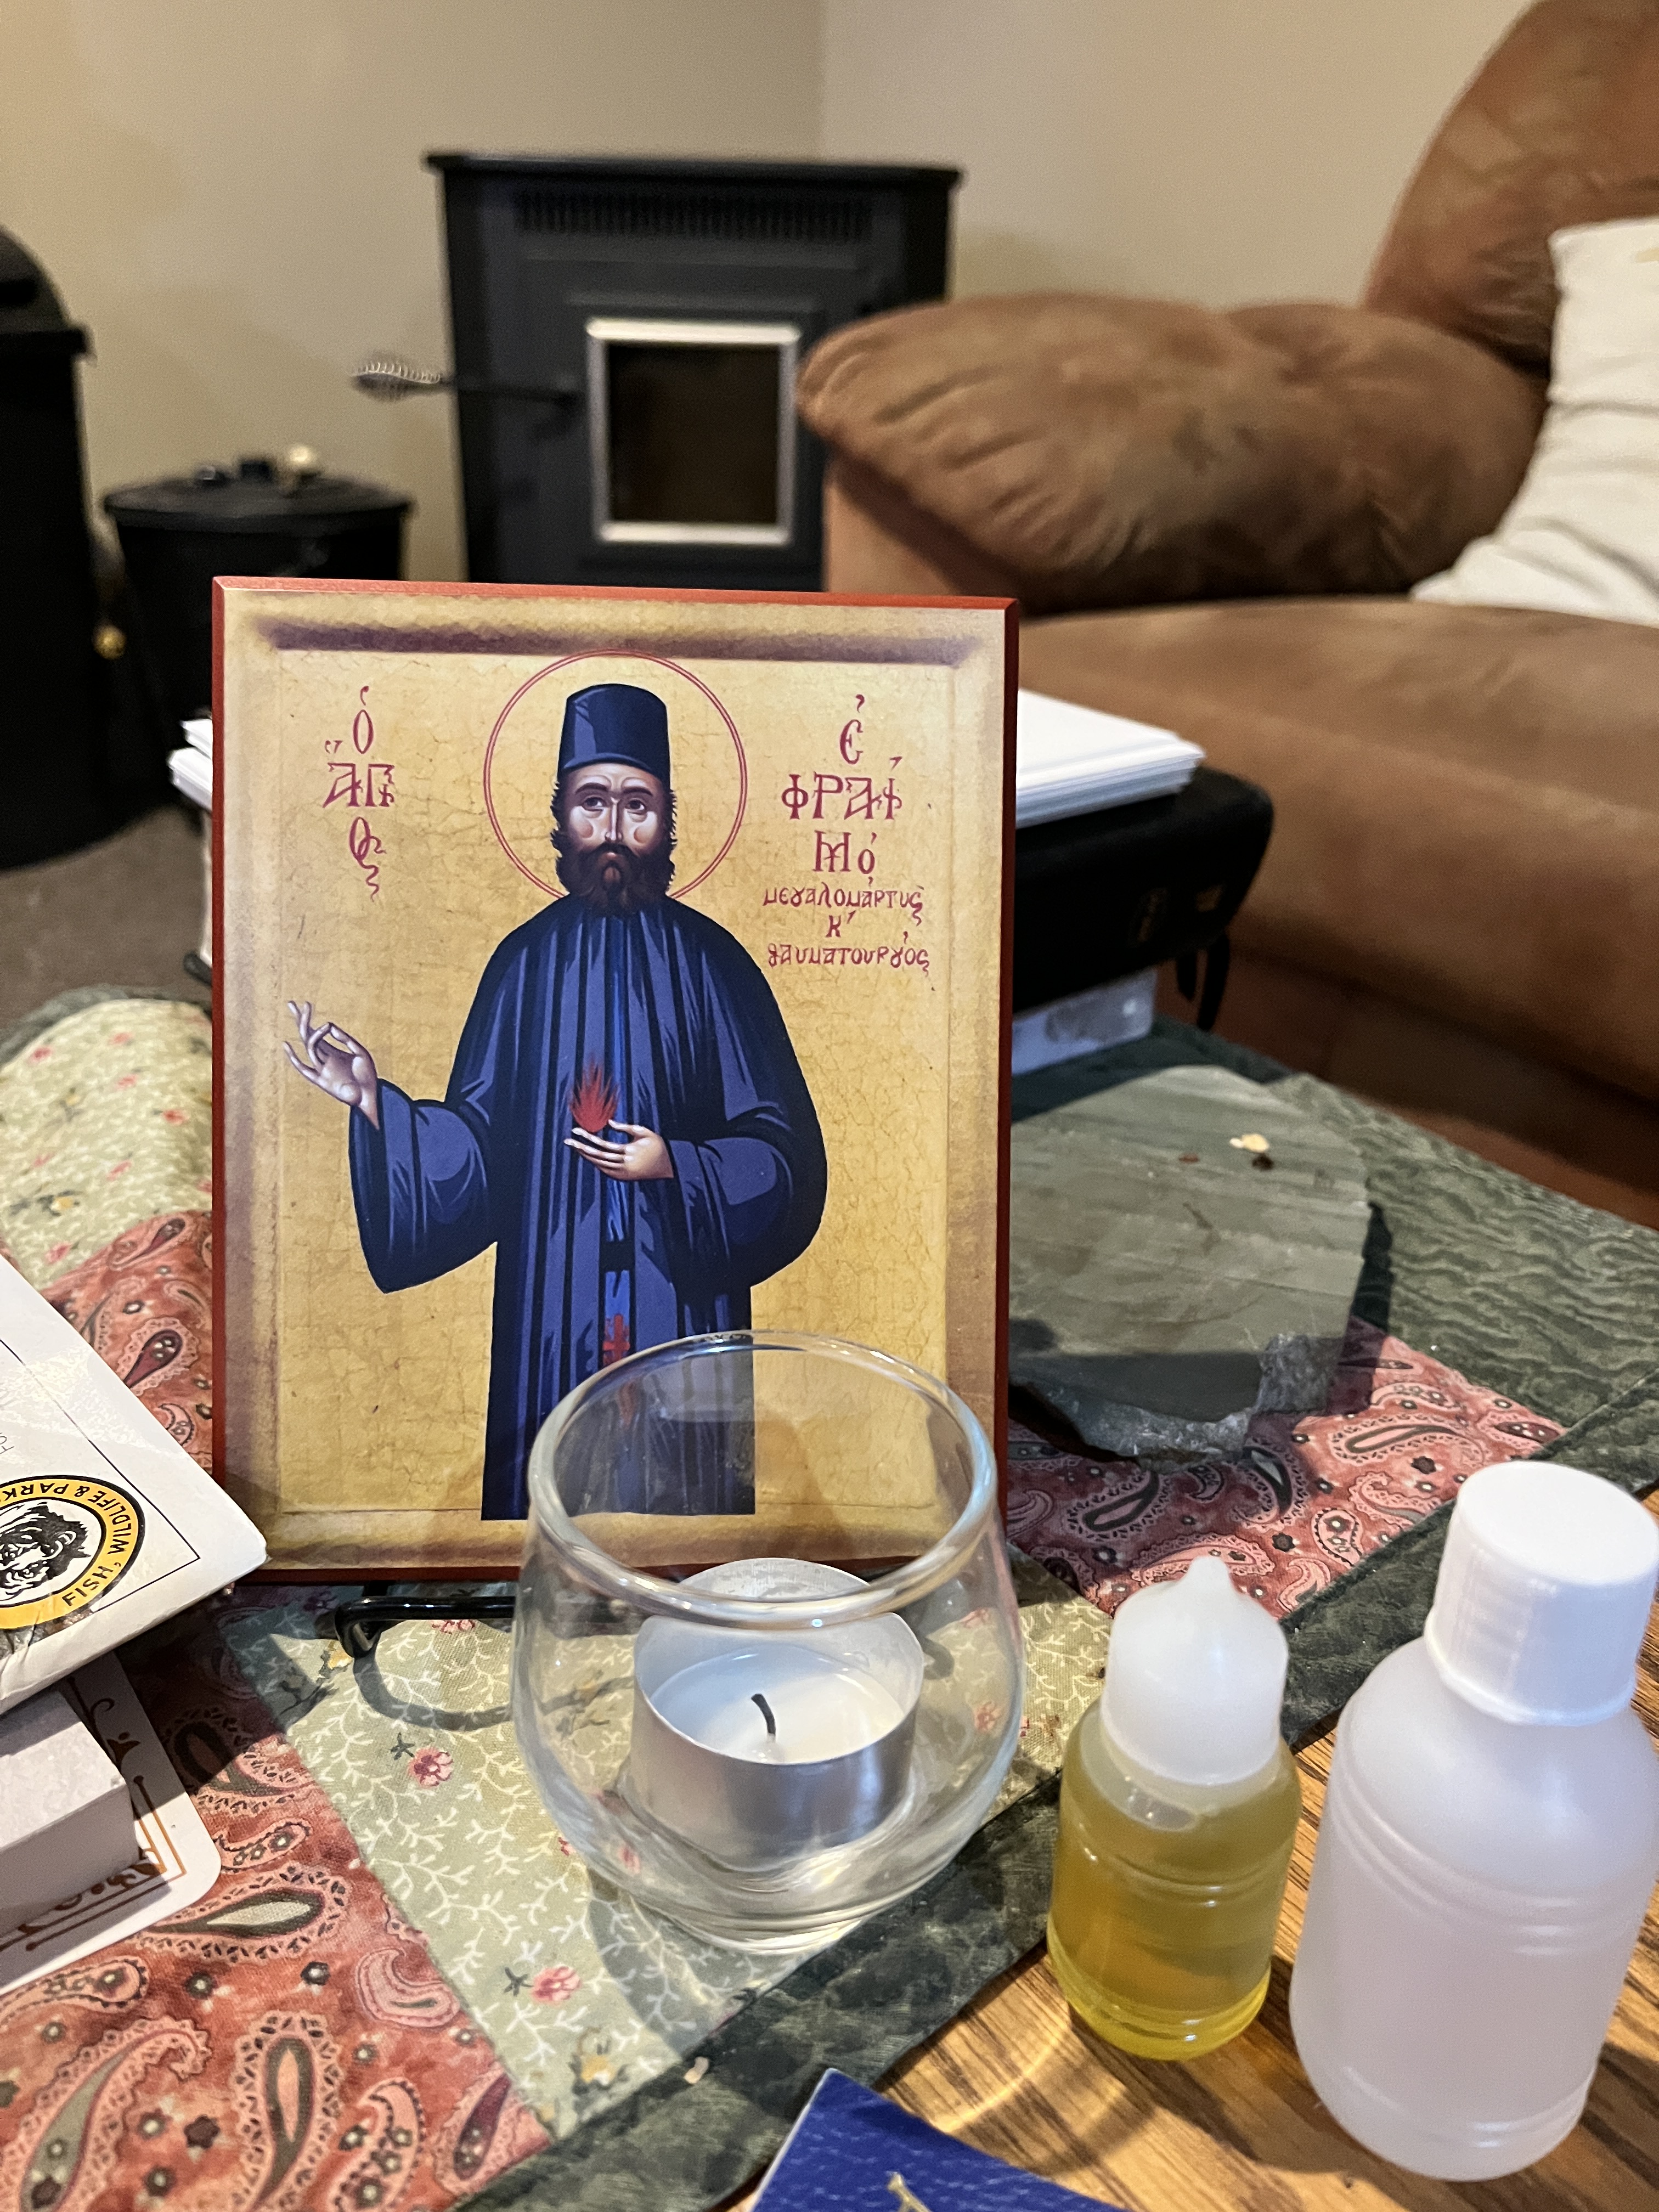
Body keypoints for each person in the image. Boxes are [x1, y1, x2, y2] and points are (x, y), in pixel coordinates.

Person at [285, 682, 826, 1520]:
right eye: (593, 802)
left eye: (637, 805)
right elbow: (478, 1144)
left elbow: (784, 1154)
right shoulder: (523, 965)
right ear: (561, 816)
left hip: (680, 1294)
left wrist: (679, 1165)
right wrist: (378, 1107)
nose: (613, 828)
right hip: (555, 1290)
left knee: (687, 1505)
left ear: (667, 820)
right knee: (555, 1490)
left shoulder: (715, 965)